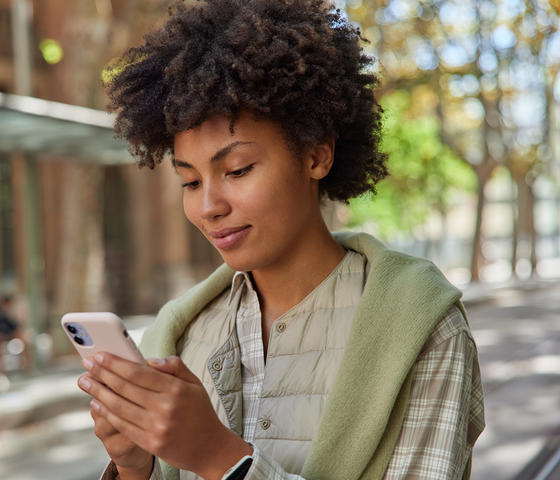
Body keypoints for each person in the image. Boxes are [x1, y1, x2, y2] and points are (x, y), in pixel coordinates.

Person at [78, 1, 485, 479]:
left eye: (237, 170)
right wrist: (134, 467)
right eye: (190, 181)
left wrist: (219, 459)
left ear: (316, 156)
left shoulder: (421, 326)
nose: (208, 206)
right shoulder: (179, 335)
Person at [0, 293, 32, 375]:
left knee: (24, 341)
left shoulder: (8, 314)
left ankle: (27, 367)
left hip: (10, 335)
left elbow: (15, 327)